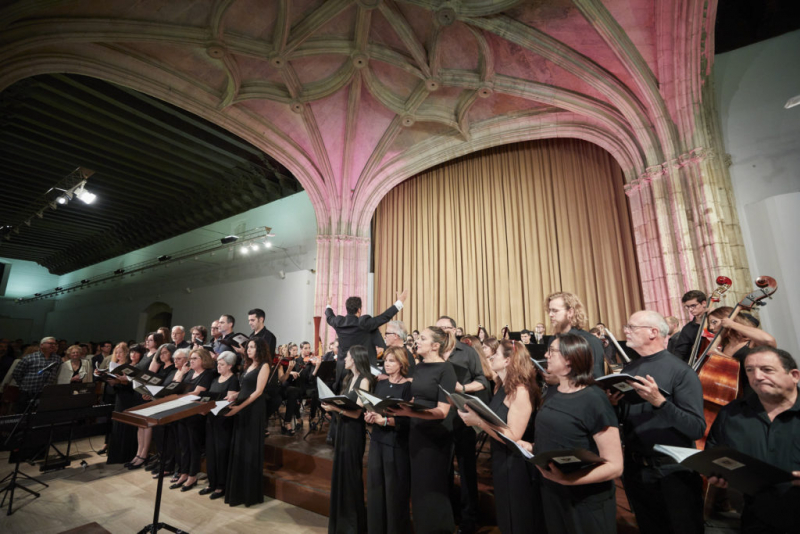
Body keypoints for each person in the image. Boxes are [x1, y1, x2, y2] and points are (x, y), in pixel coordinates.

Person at [518, 334, 623, 533]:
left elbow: (615, 466)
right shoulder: (553, 391)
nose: (546, 355)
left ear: (570, 358)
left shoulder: (594, 399)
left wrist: (567, 480)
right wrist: (531, 447)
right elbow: (559, 437)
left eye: (553, 351)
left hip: (585, 500)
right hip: (554, 493)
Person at [618, 310, 706, 534]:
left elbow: (696, 428)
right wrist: (612, 403)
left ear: (653, 332)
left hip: (673, 471)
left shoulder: (681, 372)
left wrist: (660, 402)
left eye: (632, 327)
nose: (625, 331)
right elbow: (627, 418)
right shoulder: (629, 369)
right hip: (636, 469)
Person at [705, 346, 800, 533]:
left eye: (767, 370)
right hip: (756, 519)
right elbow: (714, 455)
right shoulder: (731, 413)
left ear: (794, 375)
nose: (757, 377)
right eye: (750, 370)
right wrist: (716, 473)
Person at [458, 339, 543, 534]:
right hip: (500, 458)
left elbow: (514, 436)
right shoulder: (500, 386)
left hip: (517, 464)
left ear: (507, 361)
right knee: (506, 517)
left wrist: (478, 421)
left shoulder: (520, 391)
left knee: (519, 519)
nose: (490, 357)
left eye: (495, 354)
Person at [388, 326, 457, 534]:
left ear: (435, 345)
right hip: (416, 432)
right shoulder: (419, 367)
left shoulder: (447, 370)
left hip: (435, 436)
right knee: (418, 487)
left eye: (422, 338)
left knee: (432, 487)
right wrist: (396, 406)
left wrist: (408, 413)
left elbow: (442, 411)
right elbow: (416, 398)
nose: (417, 341)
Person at [435, 316, 488, 534]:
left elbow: (483, 381)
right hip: (438, 418)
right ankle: (448, 515)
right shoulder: (432, 352)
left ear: (455, 330)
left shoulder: (467, 352)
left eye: (447, 328)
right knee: (442, 469)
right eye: (439, 329)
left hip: (463, 416)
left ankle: (468, 520)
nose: (443, 332)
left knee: (466, 470)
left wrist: (462, 389)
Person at [321, 345, 374, 534]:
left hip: (353, 431)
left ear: (357, 358)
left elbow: (358, 412)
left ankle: (353, 525)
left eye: (348, 356)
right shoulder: (349, 378)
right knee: (341, 473)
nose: (345, 359)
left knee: (351, 476)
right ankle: (341, 523)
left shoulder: (365, 380)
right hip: (343, 429)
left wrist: (334, 408)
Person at [365, 346, 413, 534]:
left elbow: (408, 420)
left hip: (396, 444)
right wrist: (370, 416)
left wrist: (385, 420)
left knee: (394, 493)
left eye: (391, 361)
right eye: (386, 360)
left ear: (401, 364)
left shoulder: (408, 387)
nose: (387, 364)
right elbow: (374, 408)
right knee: (376, 490)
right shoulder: (380, 384)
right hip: (377, 441)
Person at [225, 337, 270, 507]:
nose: (248, 350)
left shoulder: (264, 366)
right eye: (248, 347)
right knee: (240, 447)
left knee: (250, 448)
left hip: (253, 410)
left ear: (260, 349)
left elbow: (258, 392)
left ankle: (249, 493)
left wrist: (238, 407)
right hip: (243, 406)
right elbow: (245, 388)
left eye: (252, 347)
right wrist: (234, 396)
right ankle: (238, 490)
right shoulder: (248, 365)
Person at [326, 290, 408, 379]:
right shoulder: (364, 323)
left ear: (347, 309)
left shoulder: (339, 322)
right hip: (363, 370)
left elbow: (329, 316)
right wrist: (400, 302)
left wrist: (328, 305)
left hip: (344, 369)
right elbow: (384, 317)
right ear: (359, 310)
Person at [706, 307, 777, 398]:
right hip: (736, 396)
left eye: (714, 322)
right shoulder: (725, 345)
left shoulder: (751, 342)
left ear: (727, 319)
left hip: (758, 395)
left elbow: (769, 341)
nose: (711, 328)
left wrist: (732, 324)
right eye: (710, 324)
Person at [200, 351, 240, 500]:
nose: (218, 366)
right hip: (211, 418)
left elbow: (229, 402)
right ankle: (212, 482)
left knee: (221, 453)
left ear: (230, 366)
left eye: (222, 364)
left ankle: (221, 485)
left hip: (224, 420)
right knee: (211, 452)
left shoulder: (233, 381)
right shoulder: (215, 379)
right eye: (218, 363)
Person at [545, 292, 604, 378]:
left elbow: (596, 377)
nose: (550, 315)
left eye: (555, 310)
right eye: (549, 311)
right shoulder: (553, 339)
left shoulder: (589, 340)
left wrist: (560, 381)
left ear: (570, 312)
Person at [12, 336, 60, 407]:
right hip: (28, 391)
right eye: (50, 343)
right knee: (22, 412)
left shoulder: (57, 358)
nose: (53, 345)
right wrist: (24, 384)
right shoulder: (29, 357)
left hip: (45, 393)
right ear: (41, 345)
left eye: (54, 344)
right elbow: (17, 373)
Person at [671, 290, 708, 362]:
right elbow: (680, 353)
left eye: (693, 305)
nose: (690, 309)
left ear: (704, 303)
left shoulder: (717, 321)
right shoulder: (688, 329)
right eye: (687, 307)